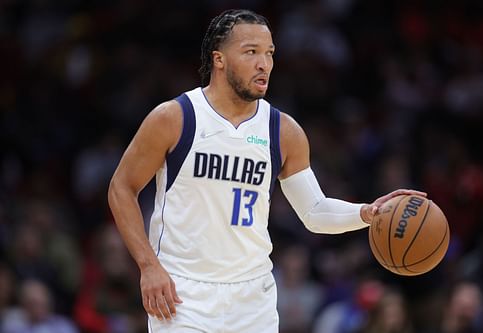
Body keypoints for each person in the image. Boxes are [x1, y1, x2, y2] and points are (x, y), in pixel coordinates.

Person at [108, 9, 426, 333]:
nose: (264, 64)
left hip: (252, 298)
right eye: (251, 52)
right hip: (183, 293)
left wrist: (367, 213)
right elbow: (121, 188)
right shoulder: (176, 117)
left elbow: (314, 211)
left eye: (269, 53)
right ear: (219, 59)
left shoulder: (283, 131)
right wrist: (148, 267)